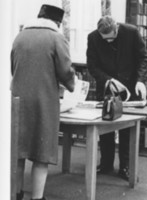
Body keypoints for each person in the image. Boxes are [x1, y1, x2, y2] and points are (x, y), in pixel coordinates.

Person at [11, 4, 75, 200]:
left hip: (18, 100)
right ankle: (37, 198)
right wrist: (73, 84)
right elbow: (65, 71)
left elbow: (12, 66)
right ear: (57, 23)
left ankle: (16, 194)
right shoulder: (56, 38)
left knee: (18, 151)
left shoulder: (20, 36)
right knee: (42, 153)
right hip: (44, 102)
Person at [86, 15, 147, 181]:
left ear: (117, 29)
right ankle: (106, 164)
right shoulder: (93, 37)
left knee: (126, 128)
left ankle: (125, 167)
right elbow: (92, 66)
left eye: (111, 38)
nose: (108, 42)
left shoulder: (131, 32)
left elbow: (143, 59)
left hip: (130, 86)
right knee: (105, 127)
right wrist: (108, 80)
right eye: (104, 39)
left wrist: (140, 81)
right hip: (107, 86)